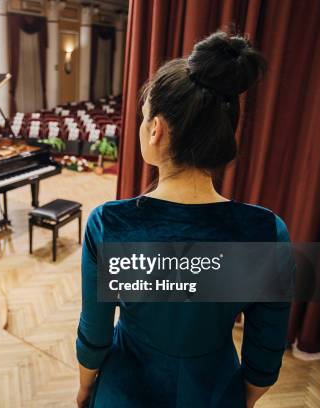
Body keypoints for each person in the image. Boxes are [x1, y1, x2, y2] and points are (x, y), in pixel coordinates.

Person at [76, 32, 292, 408]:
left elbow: (95, 336)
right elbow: (265, 351)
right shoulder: (267, 232)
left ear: (156, 129)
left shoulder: (108, 224)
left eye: (144, 118)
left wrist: (85, 388)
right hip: (215, 390)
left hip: (125, 389)